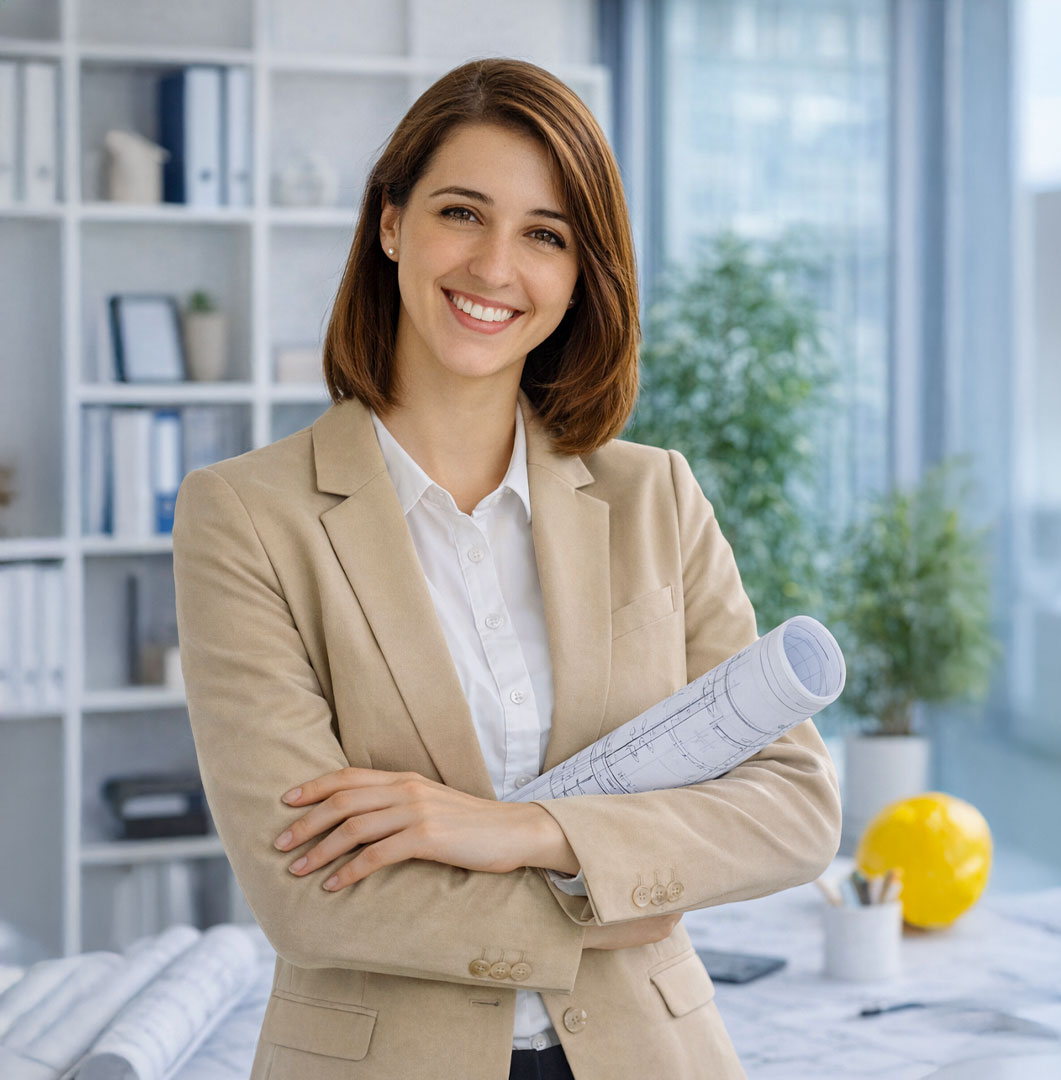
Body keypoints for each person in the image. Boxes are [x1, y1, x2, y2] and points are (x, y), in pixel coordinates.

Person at [172, 58, 840, 1080]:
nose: (494, 267)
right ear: (391, 224)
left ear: (578, 274)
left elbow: (793, 806)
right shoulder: (248, 516)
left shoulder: (654, 496)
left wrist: (524, 832)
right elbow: (307, 893)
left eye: (545, 235)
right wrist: (617, 891)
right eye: (461, 213)